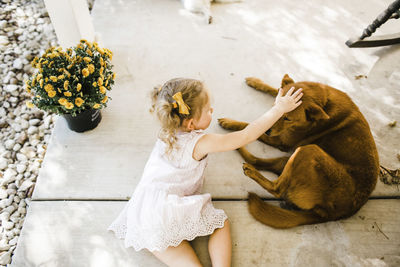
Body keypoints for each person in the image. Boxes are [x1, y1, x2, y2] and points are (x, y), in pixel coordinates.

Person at [108, 78, 303, 267]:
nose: (212, 111)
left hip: (144, 215)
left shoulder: (166, 130)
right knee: (220, 222)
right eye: (209, 110)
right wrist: (279, 109)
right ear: (191, 124)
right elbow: (245, 135)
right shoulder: (200, 143)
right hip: (169, 209)